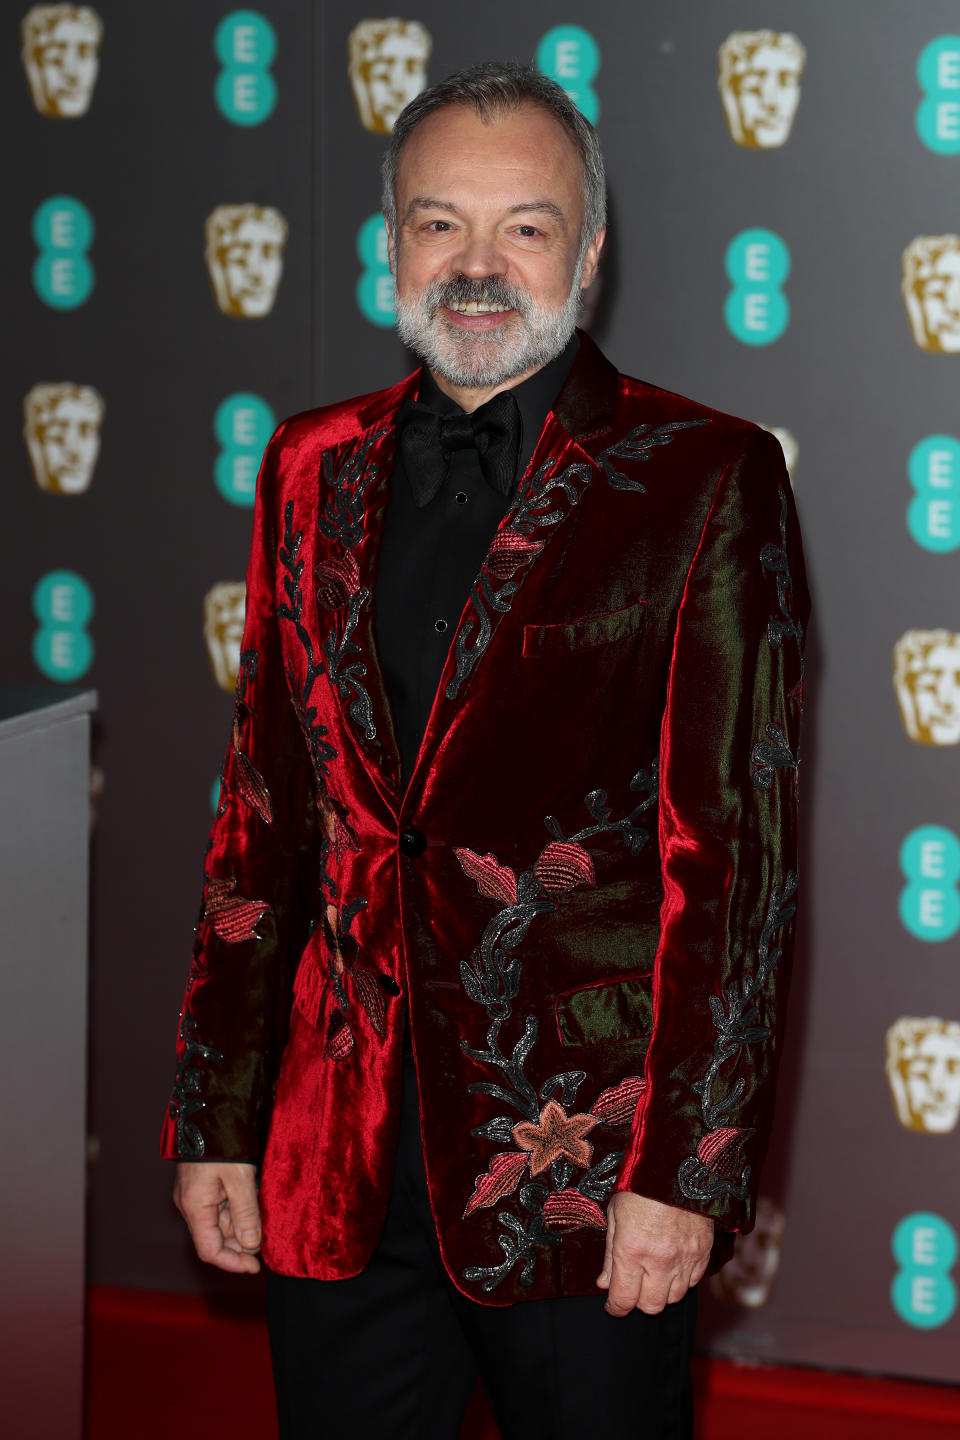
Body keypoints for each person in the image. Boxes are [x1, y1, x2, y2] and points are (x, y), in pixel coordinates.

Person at [163, 60, 809, 1439]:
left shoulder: (703, 476)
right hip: (334, 1159)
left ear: (589, 249)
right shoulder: (307, 464)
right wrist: (218, 1114)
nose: (474, 263)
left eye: (522, 224)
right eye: (436, 222)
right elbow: (262, 811)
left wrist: (686, 1175)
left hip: (579, 1165)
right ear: (390, 239)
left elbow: (733, 860)